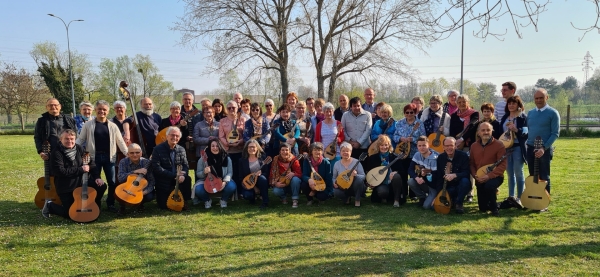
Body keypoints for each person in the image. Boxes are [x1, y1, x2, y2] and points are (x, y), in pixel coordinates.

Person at [76, 100, 128, 213]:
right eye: (99, 109)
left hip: (110, 158)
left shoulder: (113, 126)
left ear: (108, 111)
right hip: (94, 158)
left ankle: (110, 203)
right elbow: (80, 139)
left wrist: (128, 154)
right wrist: (72, 149)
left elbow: (120, 142)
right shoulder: (88, 125)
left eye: (104, 109)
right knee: (95, 182)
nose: (102, 111)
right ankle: (96, 203)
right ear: (95, 110)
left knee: (112, 182)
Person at [42, 129, 106, 219]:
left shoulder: (79, 148)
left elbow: (91, 163)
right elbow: (60, 172)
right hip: (66, 186)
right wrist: (80, 169)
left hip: (82, 183)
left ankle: (94, 205)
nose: (70, 141)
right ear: (61, 139)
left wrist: (97, 177)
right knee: (72, 214)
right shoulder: (56, 153)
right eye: (66, 139)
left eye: (72, 139)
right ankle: (50, 206)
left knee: (101, 186)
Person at [526, 88, 560, 210]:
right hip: (530, 148)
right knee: (532, 176)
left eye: (541, 97)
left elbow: (555, 133)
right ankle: (532, 199)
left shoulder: (553, 113)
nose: (539, 100)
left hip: (544, 150)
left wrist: (544, 148)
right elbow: (528, 130)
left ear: (547, 97)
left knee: (544, 176)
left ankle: (544, 203)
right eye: (536, 98)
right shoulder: (530, 113)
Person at [470, 122, 507, 216]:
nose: (486, 132)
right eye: (483, 130)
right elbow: (471, 164)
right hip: (479, 177)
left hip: (495, 176)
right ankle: (506, 203)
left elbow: (502, 165)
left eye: (488, 130)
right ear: (478, 133)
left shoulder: (499, 145)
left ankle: (495, 209)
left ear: (492, 131)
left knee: (489, 186)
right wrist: (475, 176)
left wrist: (489, 176)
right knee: (483, 208)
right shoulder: (474, 146)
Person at [151, 127, 192, 210]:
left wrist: (183, 175)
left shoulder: (181, 149)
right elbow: (156, 167)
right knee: (164, 206)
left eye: (177, 136)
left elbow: (185, 165)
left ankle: (185, 200)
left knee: (187, 179)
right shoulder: (157, 149)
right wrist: (174, 175)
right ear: (167, 136)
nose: (175, 137)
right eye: (172, 135)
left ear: (179, 138)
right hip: (164, 180)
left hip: (178, 180)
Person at [393, 103, 426, 202]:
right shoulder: (399, 123)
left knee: (414, 173)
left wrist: (414, 140)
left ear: (415, 113)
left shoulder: (419, 123)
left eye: (411, 112)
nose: (409, 114)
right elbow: (394, 136)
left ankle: (414, 194)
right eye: (407, 112)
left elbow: (424, 138)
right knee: (402, 173)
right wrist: (401, 138)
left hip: (414, 153)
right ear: (404, 113)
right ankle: (403, 193)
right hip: (402, 153)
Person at [449, 95, 479, 202]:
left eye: (464, 101)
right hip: (457, 145)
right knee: (457, 168)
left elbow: (472, 129)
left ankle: (470, 193)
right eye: (459, 102)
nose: (461, 104)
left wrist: (462, 139)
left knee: (469, 168)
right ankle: (458, 190)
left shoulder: (474, 114)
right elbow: (452, 131)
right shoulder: (454, 116)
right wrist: (455, 142)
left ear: (468, 102)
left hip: (469, 145)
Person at [500, 95, 528, 206]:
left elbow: (526, 133)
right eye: (509, 103)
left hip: (517, 147)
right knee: (510, 173)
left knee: (518, 172)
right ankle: (511, 197)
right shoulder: (504, 117)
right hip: (506, 148)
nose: (511, 105)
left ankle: (520, 197)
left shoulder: (522, 117)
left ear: (518, 105)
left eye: (514, 103)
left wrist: (516, 129)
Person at [34, 98, 77, 170]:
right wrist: (41, 151)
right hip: (50, 153)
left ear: (60, 106)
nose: (53, 107)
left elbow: (76, 136)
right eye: (50, 105)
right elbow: (37, 137)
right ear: (46, 107)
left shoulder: (69, 120)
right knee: (52, 176)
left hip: (68, 153)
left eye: (55, 105)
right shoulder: (41, 121)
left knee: (69, 174)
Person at [193, 139, 237, 208]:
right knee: (198, 189)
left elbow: (230, 172)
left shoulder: (226, 158)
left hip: (223, 180)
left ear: (220, 146)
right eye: (212, 146)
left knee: (232, 186)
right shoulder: (203, 158)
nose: (215, 148)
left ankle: (223, 200)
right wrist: (204, 172)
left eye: (217, 146)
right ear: (209, 147)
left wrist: (225, 182)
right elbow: (198, 174)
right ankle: (207, 200)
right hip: (207, 181)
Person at [433, 137, 471, 214]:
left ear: (455, 146)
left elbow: (467, 172)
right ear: (443, 147)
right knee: (432, 207)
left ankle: (459, 203)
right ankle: (453, 200)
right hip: (448, 187)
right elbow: (440, 177)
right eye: (446, 146)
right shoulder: (441, 158)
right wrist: (438, 195)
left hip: (461, 185)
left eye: (451, 145)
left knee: (465, 181)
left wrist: (455, 175)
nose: (449, 148)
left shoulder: (463, 156)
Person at [363, 135, 403, 206]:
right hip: (380, 184)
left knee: (396, 176)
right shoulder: (373, 158)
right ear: (378, 146)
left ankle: (396, 200)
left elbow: (403, 171)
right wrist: (370, 183)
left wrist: (395, 172)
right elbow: (368, 171)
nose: (384, 147)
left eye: (386, 145)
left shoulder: (394, 157)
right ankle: (386, 197)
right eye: (381, 145)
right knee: (382, 192)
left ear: (389, 145)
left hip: (392, 184)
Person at [116, 143, 155, 214]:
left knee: (149, 196)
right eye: (132, 153)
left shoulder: (146, 163)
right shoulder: (123, 162)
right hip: (126, 188)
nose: (135, 155)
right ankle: (122, 206)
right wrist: (134, 171)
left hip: (140, 190)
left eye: (137, 152)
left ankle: (140, 204)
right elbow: (120, 178)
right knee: (117, 190)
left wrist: (144, 193)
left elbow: (152, 181)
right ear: (128, 154)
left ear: (141, 153)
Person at [219, 100, 246, 185]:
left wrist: (241, 141)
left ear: (237, 108)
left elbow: (246, 134)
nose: (231, 109)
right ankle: (231, 190)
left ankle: (240, 190)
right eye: (229, 108)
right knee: (230, 170)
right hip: (228, 151)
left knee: (240, 171)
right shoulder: (222, 121)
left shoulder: (243, 120)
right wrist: (227, 143)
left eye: (233, 107)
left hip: (240, 150)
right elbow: (221, 136)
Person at [407, 136, 439, 209]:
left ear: (429, 145)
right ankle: (422, 198)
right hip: (425, 183)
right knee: (411, 181)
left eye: (424, 145)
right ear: (417, 146)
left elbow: (437, 177)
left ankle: (436, 197)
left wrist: (425, 177)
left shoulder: (435, 157)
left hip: (434, 186)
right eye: (419, 146)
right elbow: (410, 169)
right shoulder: (417, 154)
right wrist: (417, 178)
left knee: (427, 207)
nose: (422, 148)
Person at [238, 140, 270, 208]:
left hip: (260, 181)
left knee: (262, 178)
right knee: (247, 195)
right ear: (246, 148)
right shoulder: (242, 161)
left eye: (253, 147)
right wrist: (254, 188)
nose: (251, 149)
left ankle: (265, 202)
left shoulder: (263, 158)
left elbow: (266, 172)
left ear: (257, 148)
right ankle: (252, 197)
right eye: (249, 147)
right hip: (248, 183)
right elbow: (241, 177)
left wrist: (261, 173)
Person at [332, 142, 366, 207]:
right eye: (343, 151)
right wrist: (334, 183)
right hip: (343, 186)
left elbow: (363, 176)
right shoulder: (337, 164)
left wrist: (356, 175)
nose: (345, 153)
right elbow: (334, 177)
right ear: (340, 152)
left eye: (347, 151)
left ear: (351, 152)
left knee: (358, 179)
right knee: (335, 191)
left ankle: (357, 200)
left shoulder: (356, 162)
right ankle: (346, 198)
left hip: (355, 187)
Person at [270, 143, 302, 208]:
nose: (285, 152)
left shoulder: (294, 160)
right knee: (276, 191)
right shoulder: (276, 160)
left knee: (296, 179)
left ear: (290, 151)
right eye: (282, 150)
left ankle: (295, 199)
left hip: (292, 185)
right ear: (280, 151)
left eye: (286, 150)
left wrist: (294, 174)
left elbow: (300, 173)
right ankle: (283, 198)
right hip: (281, 184)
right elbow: (271, 174)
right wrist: (276, 183)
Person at [314, 102, 344, 168]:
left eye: (330, 111)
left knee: (335, 171)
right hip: (324, 153)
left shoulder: (338, 123)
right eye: (326, 112)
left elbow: (342, 137)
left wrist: (338, 139)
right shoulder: (319, 125)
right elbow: (317, 140)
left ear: (333, 112)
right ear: (323, 113)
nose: (328, 113)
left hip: (336, 152)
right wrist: (319, 151)